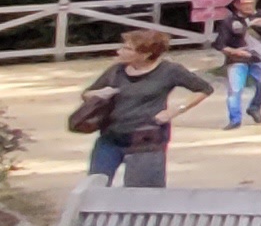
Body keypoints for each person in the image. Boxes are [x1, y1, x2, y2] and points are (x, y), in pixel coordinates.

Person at [74, 28, 213, 187]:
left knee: (142, 193)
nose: (119, 51)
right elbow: (86, 94)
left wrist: (174, 111)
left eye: (127, 48)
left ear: (146, 54)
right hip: (110, 137)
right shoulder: (116, 70)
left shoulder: (170, 71)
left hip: (146, 141)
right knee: (95, 186)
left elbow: (204, 89)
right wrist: (99, 94)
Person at [212, 0, 261, 125]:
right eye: (245, 4)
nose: (249, 6)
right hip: (237, 60)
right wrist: (235, 52)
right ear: (237, 5)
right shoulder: (229, 21)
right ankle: (235, 120)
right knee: (235, 90)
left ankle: (254, 108)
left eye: (251, 3)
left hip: (260, 58)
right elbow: (219, 45)